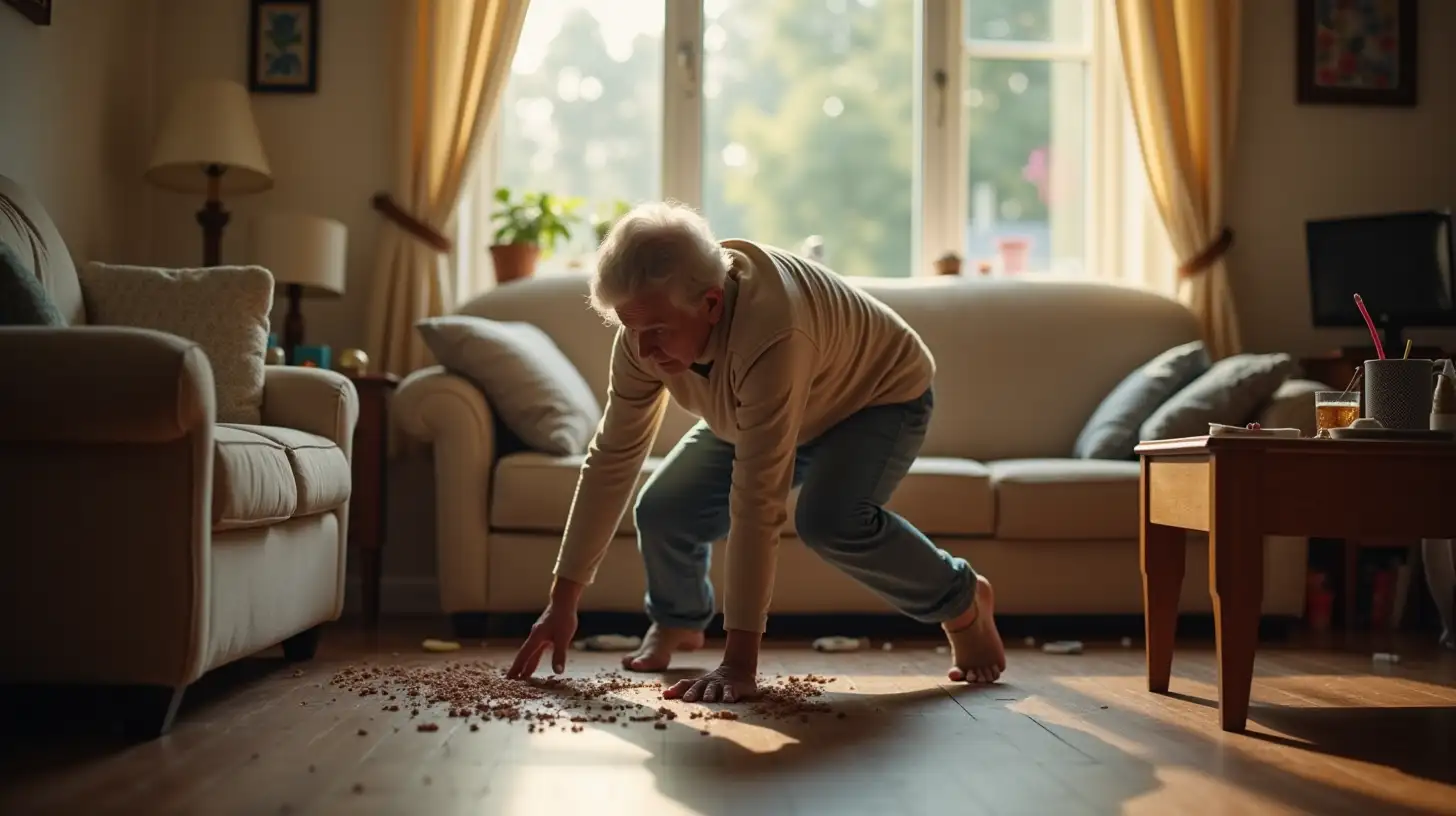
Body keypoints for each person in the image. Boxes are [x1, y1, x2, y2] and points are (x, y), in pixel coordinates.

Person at [505, 202, 1005, 702]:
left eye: (657, 332)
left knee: (830, 520)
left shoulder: (771, 329)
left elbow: (756, 502)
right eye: (628, 328)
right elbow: (613, 456)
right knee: (663, 509)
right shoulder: (643, 332)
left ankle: (963, 601)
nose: (643, 351)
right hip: (766, 406)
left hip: (877, 397)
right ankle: (679, 620)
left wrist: (738, 664)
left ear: (711, 304)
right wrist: (561, 602)